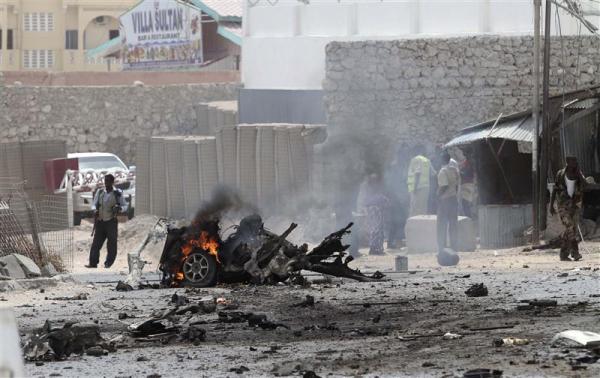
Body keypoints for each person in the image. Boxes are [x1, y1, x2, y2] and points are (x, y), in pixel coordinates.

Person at [86, 174, 127, 268]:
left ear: (112, 182)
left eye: (108, 181)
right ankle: (93, 263)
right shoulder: (100, 192)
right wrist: (95, 210)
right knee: (96, 243)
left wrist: (119, 208)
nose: (106, 183)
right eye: (105, 181)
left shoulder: (117, 193)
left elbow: (125, 206)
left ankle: (108, 263)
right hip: (100, 222)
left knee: (112, 244)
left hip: (111, 222)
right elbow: (93, 204)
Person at [550, 157, 586, 261]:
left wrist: (579, 174)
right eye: (573, 161)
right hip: (563, 205)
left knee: (571, 230)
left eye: (576, 161)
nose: (575, 163)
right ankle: (575, 252)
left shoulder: (578, 174)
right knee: (569, 227)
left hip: (575, 206)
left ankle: (563, 254)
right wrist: (551, 205)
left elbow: (586, 184)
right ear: (567, 162)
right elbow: (555, 189)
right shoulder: (560, 174)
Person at [358, 173, 389, 255]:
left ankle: (377, 248)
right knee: (376, 229)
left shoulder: (367, 185)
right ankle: (374, 249)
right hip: (373, 209)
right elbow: (367, 200)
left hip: (374, 208)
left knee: (378, 228)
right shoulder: (367, 186)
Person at [385, 144, 410, 248]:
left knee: (400, 220)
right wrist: (392, 197)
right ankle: (393, 242)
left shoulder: (403, 166)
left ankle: (394, 242)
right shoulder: (395, 166)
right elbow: (391, 183)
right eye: (404, 154)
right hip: (395, 198)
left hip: (401, 197)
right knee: (395, 220)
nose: (406, 156)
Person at [436, 151, 460, 253]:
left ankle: (442, 246)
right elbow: (457, 184)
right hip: (453, 199)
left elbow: (444, 186)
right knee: (453, 224)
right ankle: (454, 246)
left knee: (442, 224)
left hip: (445, 200)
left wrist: (437, 195)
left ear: (442, 160)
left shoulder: (442, 171)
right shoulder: (454, 170)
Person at [407, 145, 433, 217]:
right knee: (423, 209)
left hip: (416, 188)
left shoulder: (415, 159)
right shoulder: (427, 160)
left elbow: (417, 173)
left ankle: (413, 226)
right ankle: (421, 224)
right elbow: (433, 174)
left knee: (414, 209)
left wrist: (415, 188)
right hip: (426, 187)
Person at [459, 149, 476, 219]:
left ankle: (469, 218)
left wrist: (459, 172)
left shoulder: (470, 162)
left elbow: (467, 174)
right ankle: (469, 218)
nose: (464, 153)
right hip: (466, 184)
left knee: (465, 203)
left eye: (465, 152)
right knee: (465, 203)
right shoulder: (467, 161)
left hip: (468, 184)